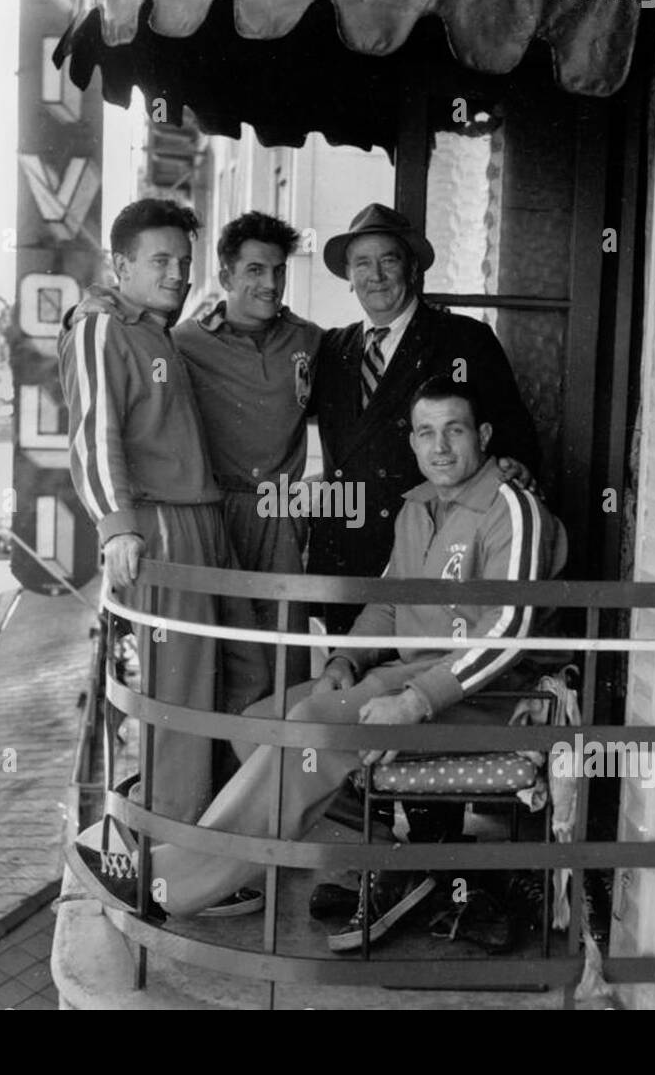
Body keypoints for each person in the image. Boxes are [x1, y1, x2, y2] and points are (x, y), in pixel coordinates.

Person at [67, 376, 568, 950]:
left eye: (454, 430)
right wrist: (345, 659)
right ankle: (394, 861)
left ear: (481, 434)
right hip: (407, 678)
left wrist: (415, 700)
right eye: (426, 432)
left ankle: (166, 885)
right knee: (257, 726)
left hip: (487, 698)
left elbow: (510, 631)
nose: (441, 447)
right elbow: (388, 602)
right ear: (413, 442)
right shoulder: (420, 509)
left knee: (310, 731)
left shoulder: (511, 508)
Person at [308, 202, 546, 848]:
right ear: (347, 275)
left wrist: (510, 485)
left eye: (389, 260)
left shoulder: (465, 340)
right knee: (353, 730)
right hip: (358, 567)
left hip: (440, 567)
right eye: (362, 263)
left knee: (417, 719)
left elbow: (514, 448)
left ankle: (433, 866)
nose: (376, 275)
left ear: (411, 267)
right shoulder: (332, 350)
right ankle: (379, 856)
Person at [57, 198, 270, 915]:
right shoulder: (100, 328)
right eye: (161, 261)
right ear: (119, 266)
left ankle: (218, 849)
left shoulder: (157, 332)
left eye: (184, 261)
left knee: (245, 681)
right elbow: (92, 434)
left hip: (205, 525)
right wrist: (117, 525)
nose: (177, 273)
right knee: (180, 705)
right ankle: (172, 879)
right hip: (161, 531)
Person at [172, 211, 322, 684]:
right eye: (255, 270)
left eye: (279, 270)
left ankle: (277, 760)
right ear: (226, 277)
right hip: (215, 513)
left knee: (285, 656)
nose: (271, 283)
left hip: (280, 515)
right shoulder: (184, 342)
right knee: (219, 655)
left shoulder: (310, 340)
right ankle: (221, 761)